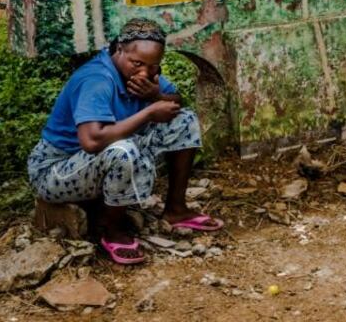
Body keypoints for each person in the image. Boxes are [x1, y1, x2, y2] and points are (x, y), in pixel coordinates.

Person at [27, 19, 222, 265]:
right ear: (119, 49)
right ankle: (112, 231)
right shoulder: (96, 80)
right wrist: (149, 112)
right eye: (137, 63)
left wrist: (155, 95)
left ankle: (176, 209)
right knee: (122, 150)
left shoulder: (145, 72)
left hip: (102, 157)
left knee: (183, 120)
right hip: (55, 171)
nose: (144, 72)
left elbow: (174, 103)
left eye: (153, 66)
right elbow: (92, 140)